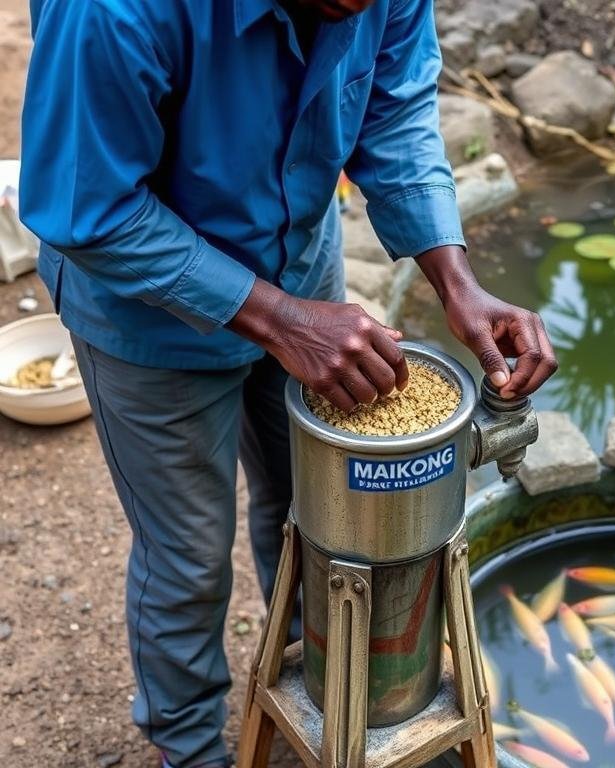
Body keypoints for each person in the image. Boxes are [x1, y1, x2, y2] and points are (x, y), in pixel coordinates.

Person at [19, 1, 557, 766]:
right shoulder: (112, 12)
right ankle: (189, 746)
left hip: (302, 267)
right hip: (147, 322)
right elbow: (91, 209)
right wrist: (282, 322)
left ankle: (325, 694)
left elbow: (395, 109)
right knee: (188, 560)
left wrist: (454, 278)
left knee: (320, 516)